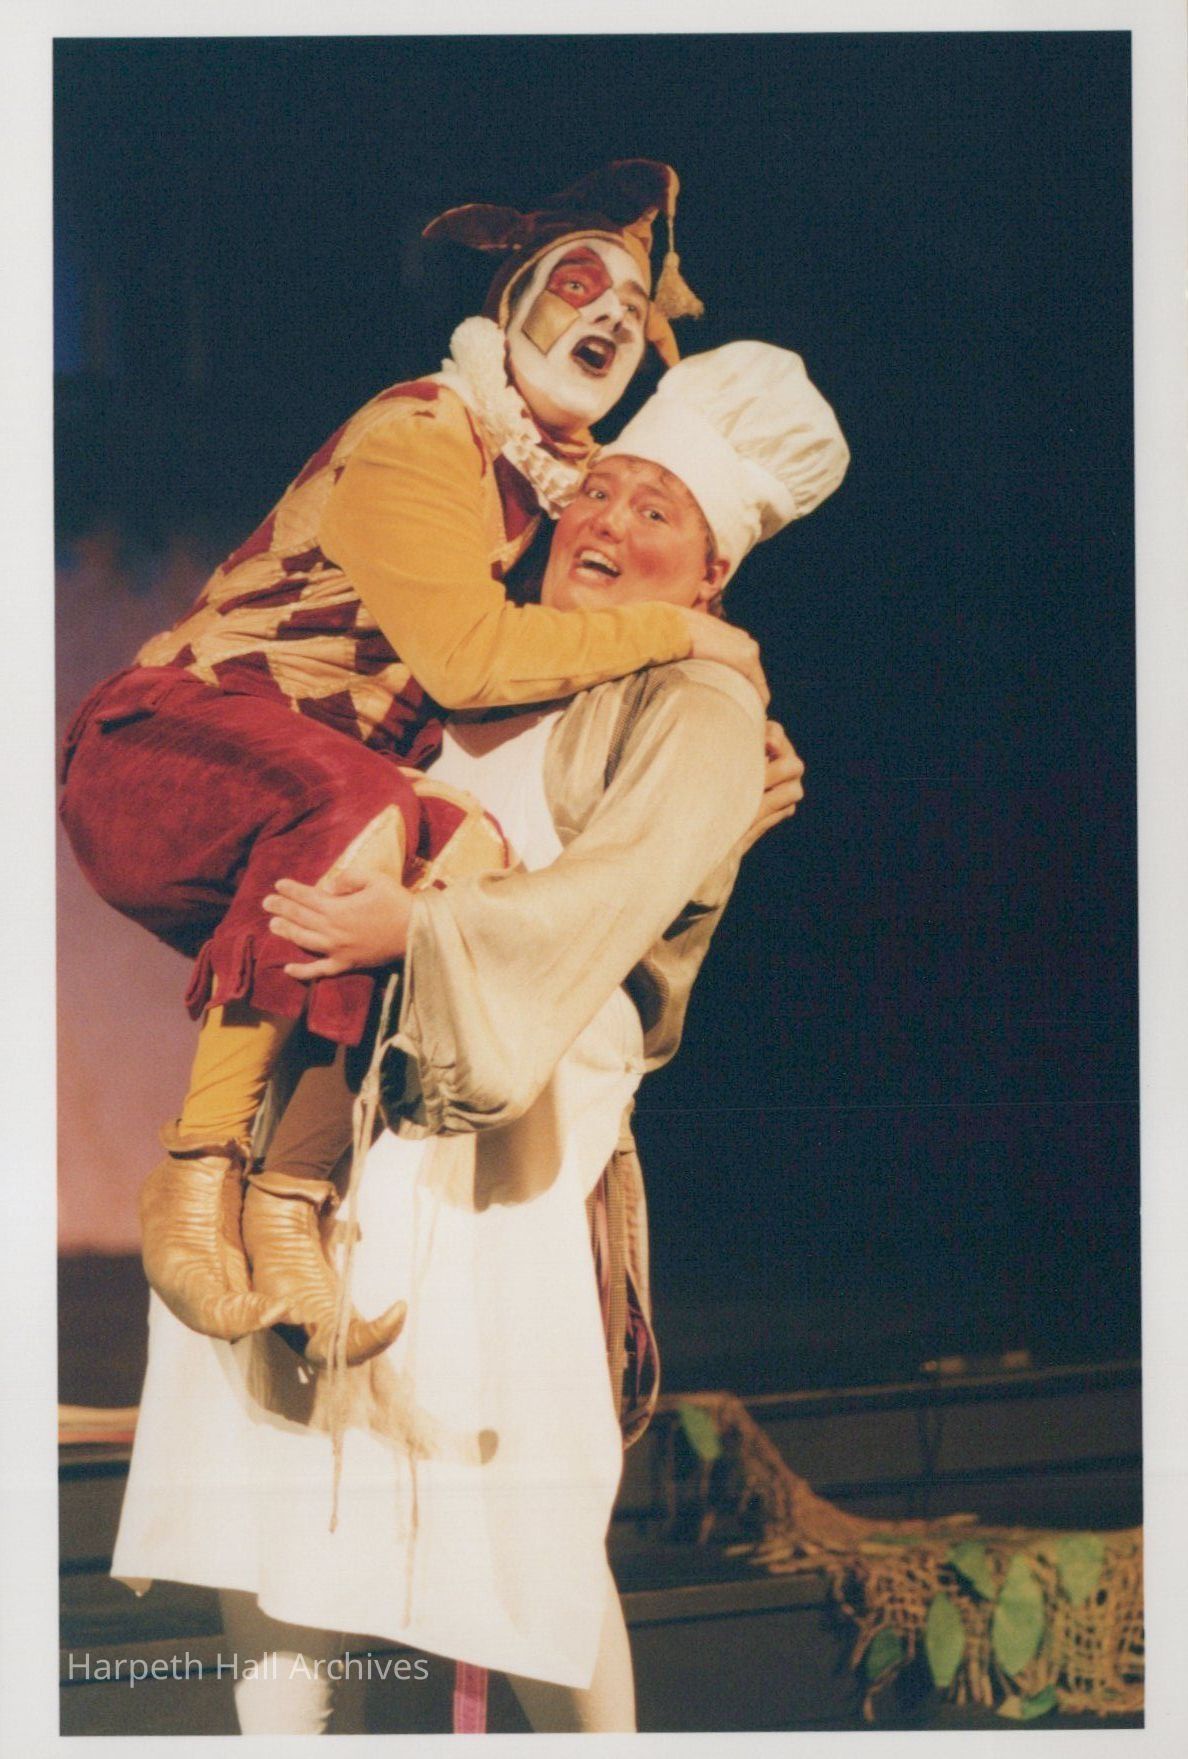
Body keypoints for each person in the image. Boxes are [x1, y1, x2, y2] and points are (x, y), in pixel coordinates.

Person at [110, 342, 850, 1734]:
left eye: (655, 510)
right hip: (321, 1116)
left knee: (515, 1526)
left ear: (710, 578)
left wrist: (418, 930)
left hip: (492, 1152)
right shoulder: (461, 655)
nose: (606, 521)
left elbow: (606, 908)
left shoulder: (697, 703)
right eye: (601, 488)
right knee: (270, 1483)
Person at [57, 161, 794, 1364]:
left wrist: (724, 806)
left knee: (446, 840)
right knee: (370, 807)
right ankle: (197, 1172)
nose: (612, 318)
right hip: (173, 743)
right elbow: (467, 660)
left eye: (634, 309)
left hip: (451, 1037)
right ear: (510, 301)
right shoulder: (424, 437)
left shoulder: (546, 517)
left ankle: (285, 1202)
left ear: (717, 569)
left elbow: (609, 868)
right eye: (580, 285)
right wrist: (685, 636)